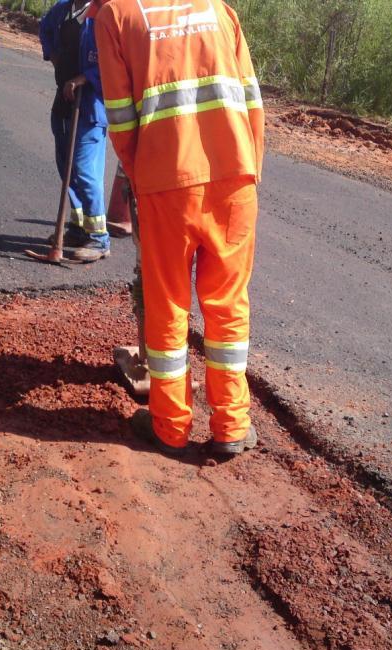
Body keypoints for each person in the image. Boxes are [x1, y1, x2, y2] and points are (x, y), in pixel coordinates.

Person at [95, 0, 264, 457]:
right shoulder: (219, 9)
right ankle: (231, 426)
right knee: (228, 305)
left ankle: (170, 428)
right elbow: (252, 101)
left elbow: (120, 116)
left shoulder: (116, 15)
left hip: (166, 184)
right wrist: (250, 172)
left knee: (168, 302)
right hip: (237, 177)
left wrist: (140, 179)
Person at [39, 0, 110, 262]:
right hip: (64, 100)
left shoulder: (105, 13)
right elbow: (45, 28)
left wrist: (85, 78)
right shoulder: (62, 9)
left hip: (89, 105)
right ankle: (78, 228)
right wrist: (53, 55)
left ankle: (99, 238)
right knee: (65, 166)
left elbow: (116, 58)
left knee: (83, 169)